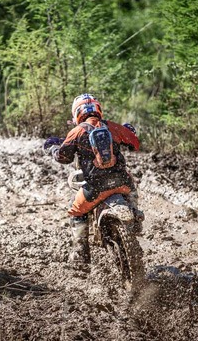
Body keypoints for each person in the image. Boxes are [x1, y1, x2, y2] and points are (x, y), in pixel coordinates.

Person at [43, 93, 143, 266]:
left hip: (96, 187)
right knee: (132, 189)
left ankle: (80, 256)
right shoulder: (112, 127)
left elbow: (62, 157)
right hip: (122, 183)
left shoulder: (77, 132)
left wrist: (52, 147)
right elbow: (135, 143)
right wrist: (128, 130)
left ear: (77, 113)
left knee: (76, 211)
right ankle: (135, 218)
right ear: (98, 109)